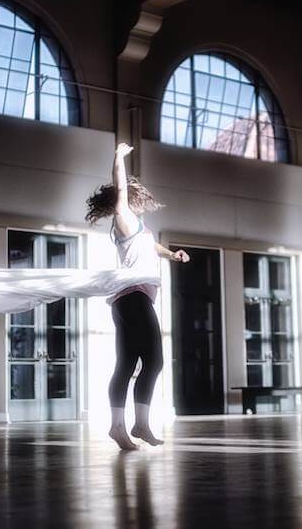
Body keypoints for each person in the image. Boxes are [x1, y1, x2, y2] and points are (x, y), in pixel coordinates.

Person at [85, 143, 189, 450]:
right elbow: (120, 186)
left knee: (127, 364)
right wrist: (117, 157)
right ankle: (139, 424)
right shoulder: (123, 217)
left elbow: (152, 248)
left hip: (127, 301)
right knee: (154, 361)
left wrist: (172, 254)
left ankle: (119, 427)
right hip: (134, 299)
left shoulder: (138, 229)